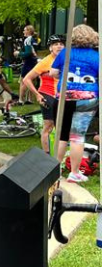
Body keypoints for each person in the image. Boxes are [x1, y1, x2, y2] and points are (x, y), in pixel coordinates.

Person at [50, 24, 100, 183]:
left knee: (61, 135)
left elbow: (53, 73)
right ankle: (75, 173)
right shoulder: (96, 56)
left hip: (65, 97)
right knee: (77, 137)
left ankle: (54, 172)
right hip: (87, 99)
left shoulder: (65, 53)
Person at [22, 35, 69, 156]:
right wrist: (37, 95)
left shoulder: (68, 59)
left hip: (63, 96)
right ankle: (46, 155)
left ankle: (60, 155)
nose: (59, 46)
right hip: (47, 95)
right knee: (48, 126)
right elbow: (27, 79)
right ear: (50, 48)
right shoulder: (45, 62)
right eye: (55, 44)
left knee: (62, 126)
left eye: (61, 44)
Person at [17, 25, 38, 104]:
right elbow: (34, 52)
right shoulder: (34, 39)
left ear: (29, 31)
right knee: (32, 80)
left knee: (24, 81)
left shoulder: (27, 40)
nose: (23, 32)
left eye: (24, 30)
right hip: (34, 62)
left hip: (28, 62)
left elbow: (28, 53)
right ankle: (29, 99)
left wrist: (18, 53)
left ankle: (20, 100)